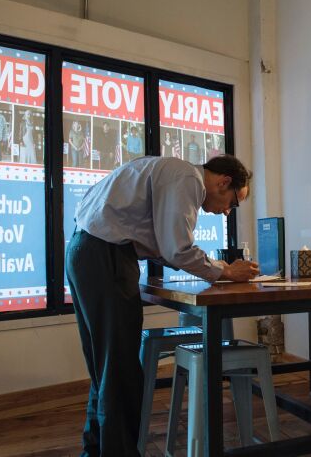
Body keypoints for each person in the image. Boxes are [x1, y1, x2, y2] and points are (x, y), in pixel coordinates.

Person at [66, 154, 258, 456]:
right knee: (120, 371)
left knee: (106, 368)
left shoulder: (167, 170)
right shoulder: (188, 179)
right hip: (108, 258)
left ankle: (95, 451)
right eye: (234, 203)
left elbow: (165, 247)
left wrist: (216, 267)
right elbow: (177, 249)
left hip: (84, 250)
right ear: (224, 182)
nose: (226, 213)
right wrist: (226, 271)